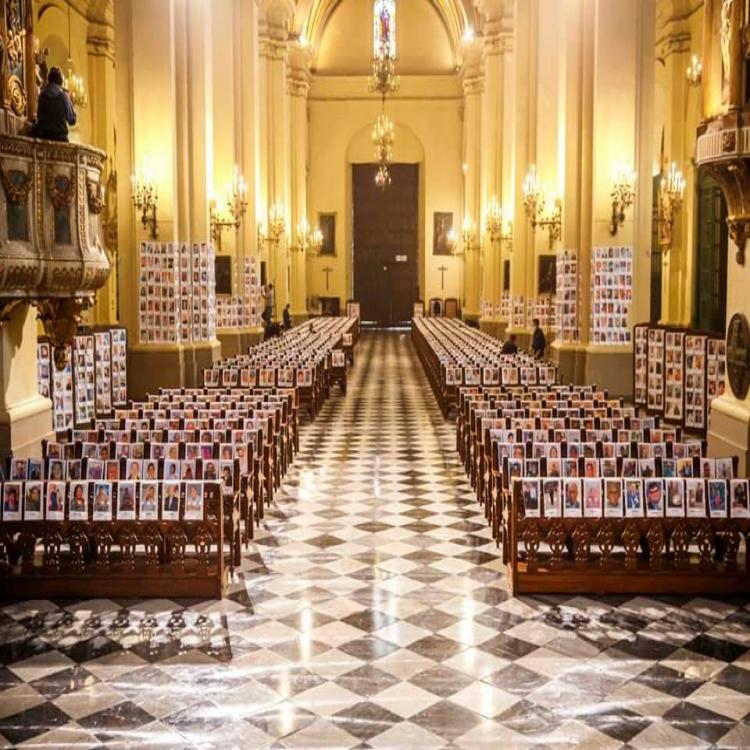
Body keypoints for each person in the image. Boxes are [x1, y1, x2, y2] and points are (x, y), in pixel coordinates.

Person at [32, 67, 77, 142]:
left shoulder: (42, 96)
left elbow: (39, 118)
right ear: (61, 82)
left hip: (44, 140)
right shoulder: (64, 97)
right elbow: (72, 120)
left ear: (48, 80)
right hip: (61, 140)